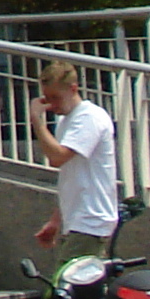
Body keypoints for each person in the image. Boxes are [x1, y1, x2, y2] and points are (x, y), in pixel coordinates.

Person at [31, 59, 120, 253]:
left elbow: (58, 158)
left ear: (73, 89)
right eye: (46, 98)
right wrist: (56, 220)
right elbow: (70, 176)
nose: (51, 105)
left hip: (91, 222)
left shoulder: (89, 117)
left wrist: (37, 121)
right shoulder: (67, 120)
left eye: (55, 97)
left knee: (69, 281)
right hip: (78, 221)